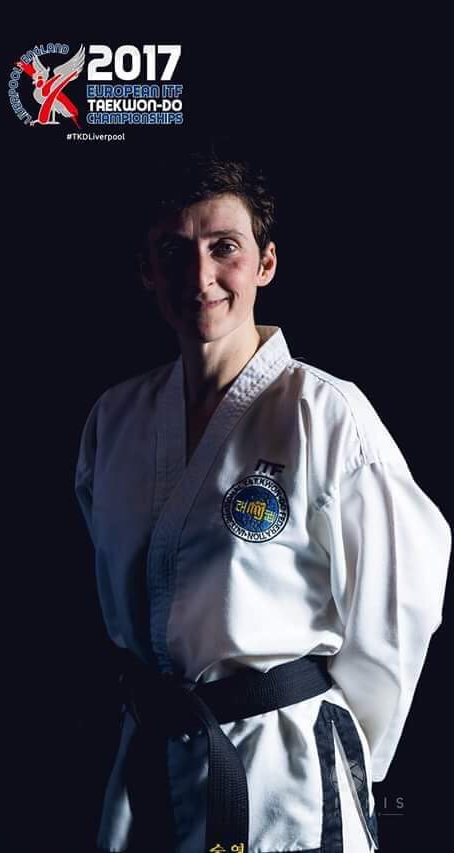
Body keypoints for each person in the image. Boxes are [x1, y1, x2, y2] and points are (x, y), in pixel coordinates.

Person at [75, 148, 451, 853]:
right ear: (146, 270)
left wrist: (339, 746)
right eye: (174, 251)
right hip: (151, 760)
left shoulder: (324, 412)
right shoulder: (115, 420)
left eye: (225, 248)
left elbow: (398, 616)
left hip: (287, 772)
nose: (201, 276)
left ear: (266, 264)